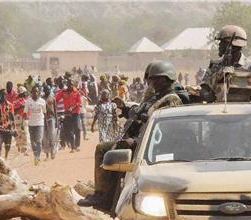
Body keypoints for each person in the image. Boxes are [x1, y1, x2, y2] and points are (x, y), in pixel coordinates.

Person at [78, 61, 183, 210]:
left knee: (103, 150)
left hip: (151, 146)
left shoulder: (171, 100)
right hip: (140, 140)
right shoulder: (156, 97)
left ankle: (103, 197)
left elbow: (163, 130)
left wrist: (134, 141)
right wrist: (126, 109)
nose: (151, 83)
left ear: (166, 79)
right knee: (107, 150)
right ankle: (104, 194)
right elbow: (140, 114)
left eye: (155, 79)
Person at [200, 25, 251, 103]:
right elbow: (204, 89)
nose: (219, 45)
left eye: (223, 42)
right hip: (218, 110)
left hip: (244, 110)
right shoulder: (215, 66)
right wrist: (208, 95)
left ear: (234, 46)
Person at [57, 79, 82, 153]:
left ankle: (77, 145)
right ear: (67, 84)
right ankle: (73, 146)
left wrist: (73, 107)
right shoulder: (63, 92)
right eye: (69, 84)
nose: (70, 85)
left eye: (71, 84)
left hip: (76, 112)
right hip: (67, 113)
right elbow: (56, 99)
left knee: (77, 128)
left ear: (73, 84)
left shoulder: (76, 92)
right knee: (69, 130)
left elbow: (79, 103)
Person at [24, 86, 46, 165]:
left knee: (39, 141)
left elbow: (44, 113)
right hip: (31, 124)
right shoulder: (28, 101)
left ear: (39, 93)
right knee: (33, 142)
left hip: (40, 124)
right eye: (33, 92)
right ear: (31, 93)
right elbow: (25, 113)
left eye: (36, 91)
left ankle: (38, 157)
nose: (35, 93)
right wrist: (25, 119)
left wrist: (45, 124)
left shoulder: (42, 101)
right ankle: (35, 155)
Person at [0, 89, 14, 159]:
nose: (4, 96)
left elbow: (12, 116)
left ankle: (5, 158)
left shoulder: (10, 105)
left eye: (5, 94)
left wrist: (14, 127)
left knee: (7, 146)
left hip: (8, 128)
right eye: (2, 94)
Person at [42, 85, 59, 160]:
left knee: (51, 135)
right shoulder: (42, 99)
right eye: (46, 90)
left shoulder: (53, 98)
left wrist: (57, 121)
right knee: (45, 137)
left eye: (48, 90)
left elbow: (55, 110)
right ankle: (47, 154)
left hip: (51, 118)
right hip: (43, 119)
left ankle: (52, 152)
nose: (47, 91)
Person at [14, 86, 29, 155]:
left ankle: (23, 149)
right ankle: (21, 149)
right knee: (22, 134)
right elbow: (14, 110)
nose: (26, 94)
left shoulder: (25, 100)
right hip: (20, 119)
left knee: (24, 134)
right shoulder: (18, 101)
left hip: (24, 119)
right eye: (24, 93)